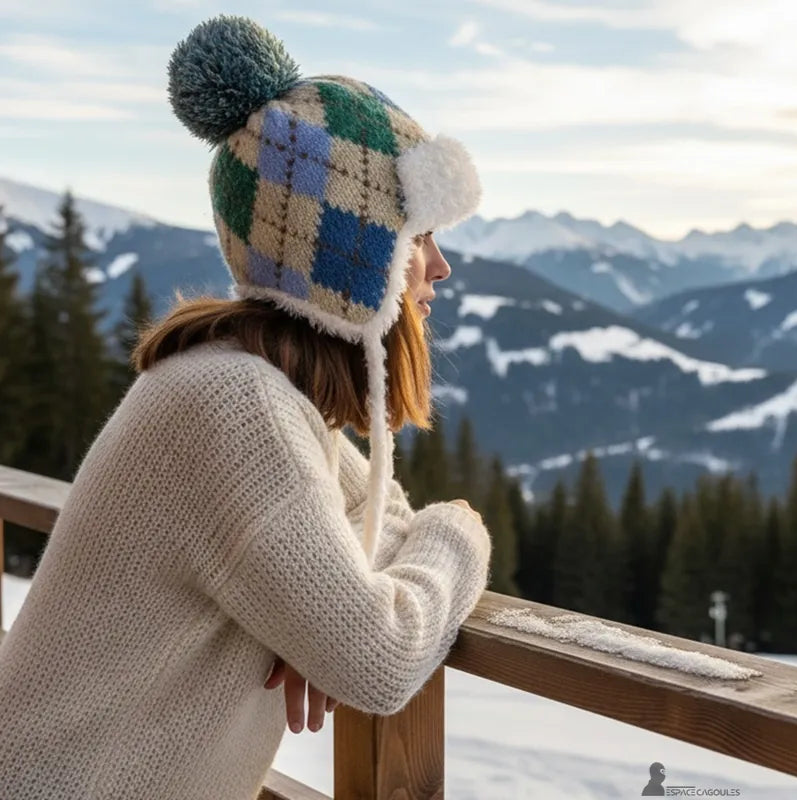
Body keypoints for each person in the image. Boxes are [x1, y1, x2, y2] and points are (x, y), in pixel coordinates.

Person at [0, 15, 491, 800]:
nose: (441, 265)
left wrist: (322, 606)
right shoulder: (237, 410)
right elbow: (382, 657)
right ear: (355, 260)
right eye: (419, 236)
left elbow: (374, 509)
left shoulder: (244, 386)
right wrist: (459, 528)